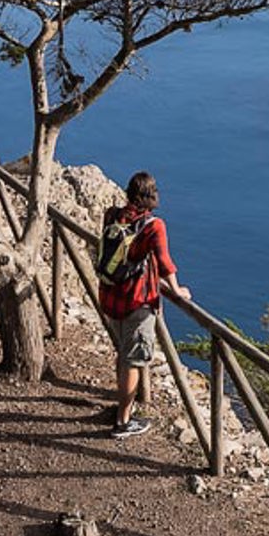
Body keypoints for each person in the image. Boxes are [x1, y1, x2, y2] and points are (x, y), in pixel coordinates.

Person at [98, 171, 191, 438]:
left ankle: (121, 408)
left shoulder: (112, 214)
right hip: (137, 302)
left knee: (124, 354)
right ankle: (123, 422)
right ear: (151, 196)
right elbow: (164, 263)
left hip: (109, 296)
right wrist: (176, 290)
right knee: (133, 360)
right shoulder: (153, 226)